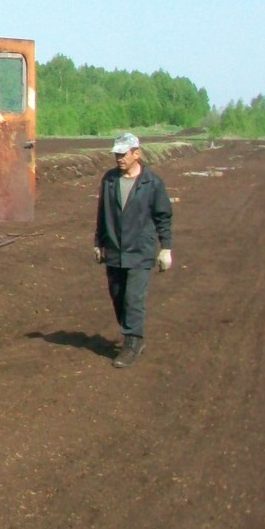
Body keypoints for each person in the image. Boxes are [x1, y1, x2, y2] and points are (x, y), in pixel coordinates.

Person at [94, 132, 173, 368]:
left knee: (133, 298)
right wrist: (98, 242)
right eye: (116, 154)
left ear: (136, 153)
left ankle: (133, 342)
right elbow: (102, 214)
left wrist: (166, 248)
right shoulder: (109, 180)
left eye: (123, 154)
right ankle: (131, 333)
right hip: (115, 250)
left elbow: (163, 217)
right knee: (118, 296)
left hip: (140, 250)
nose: (119, 158)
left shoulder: (153, 183)